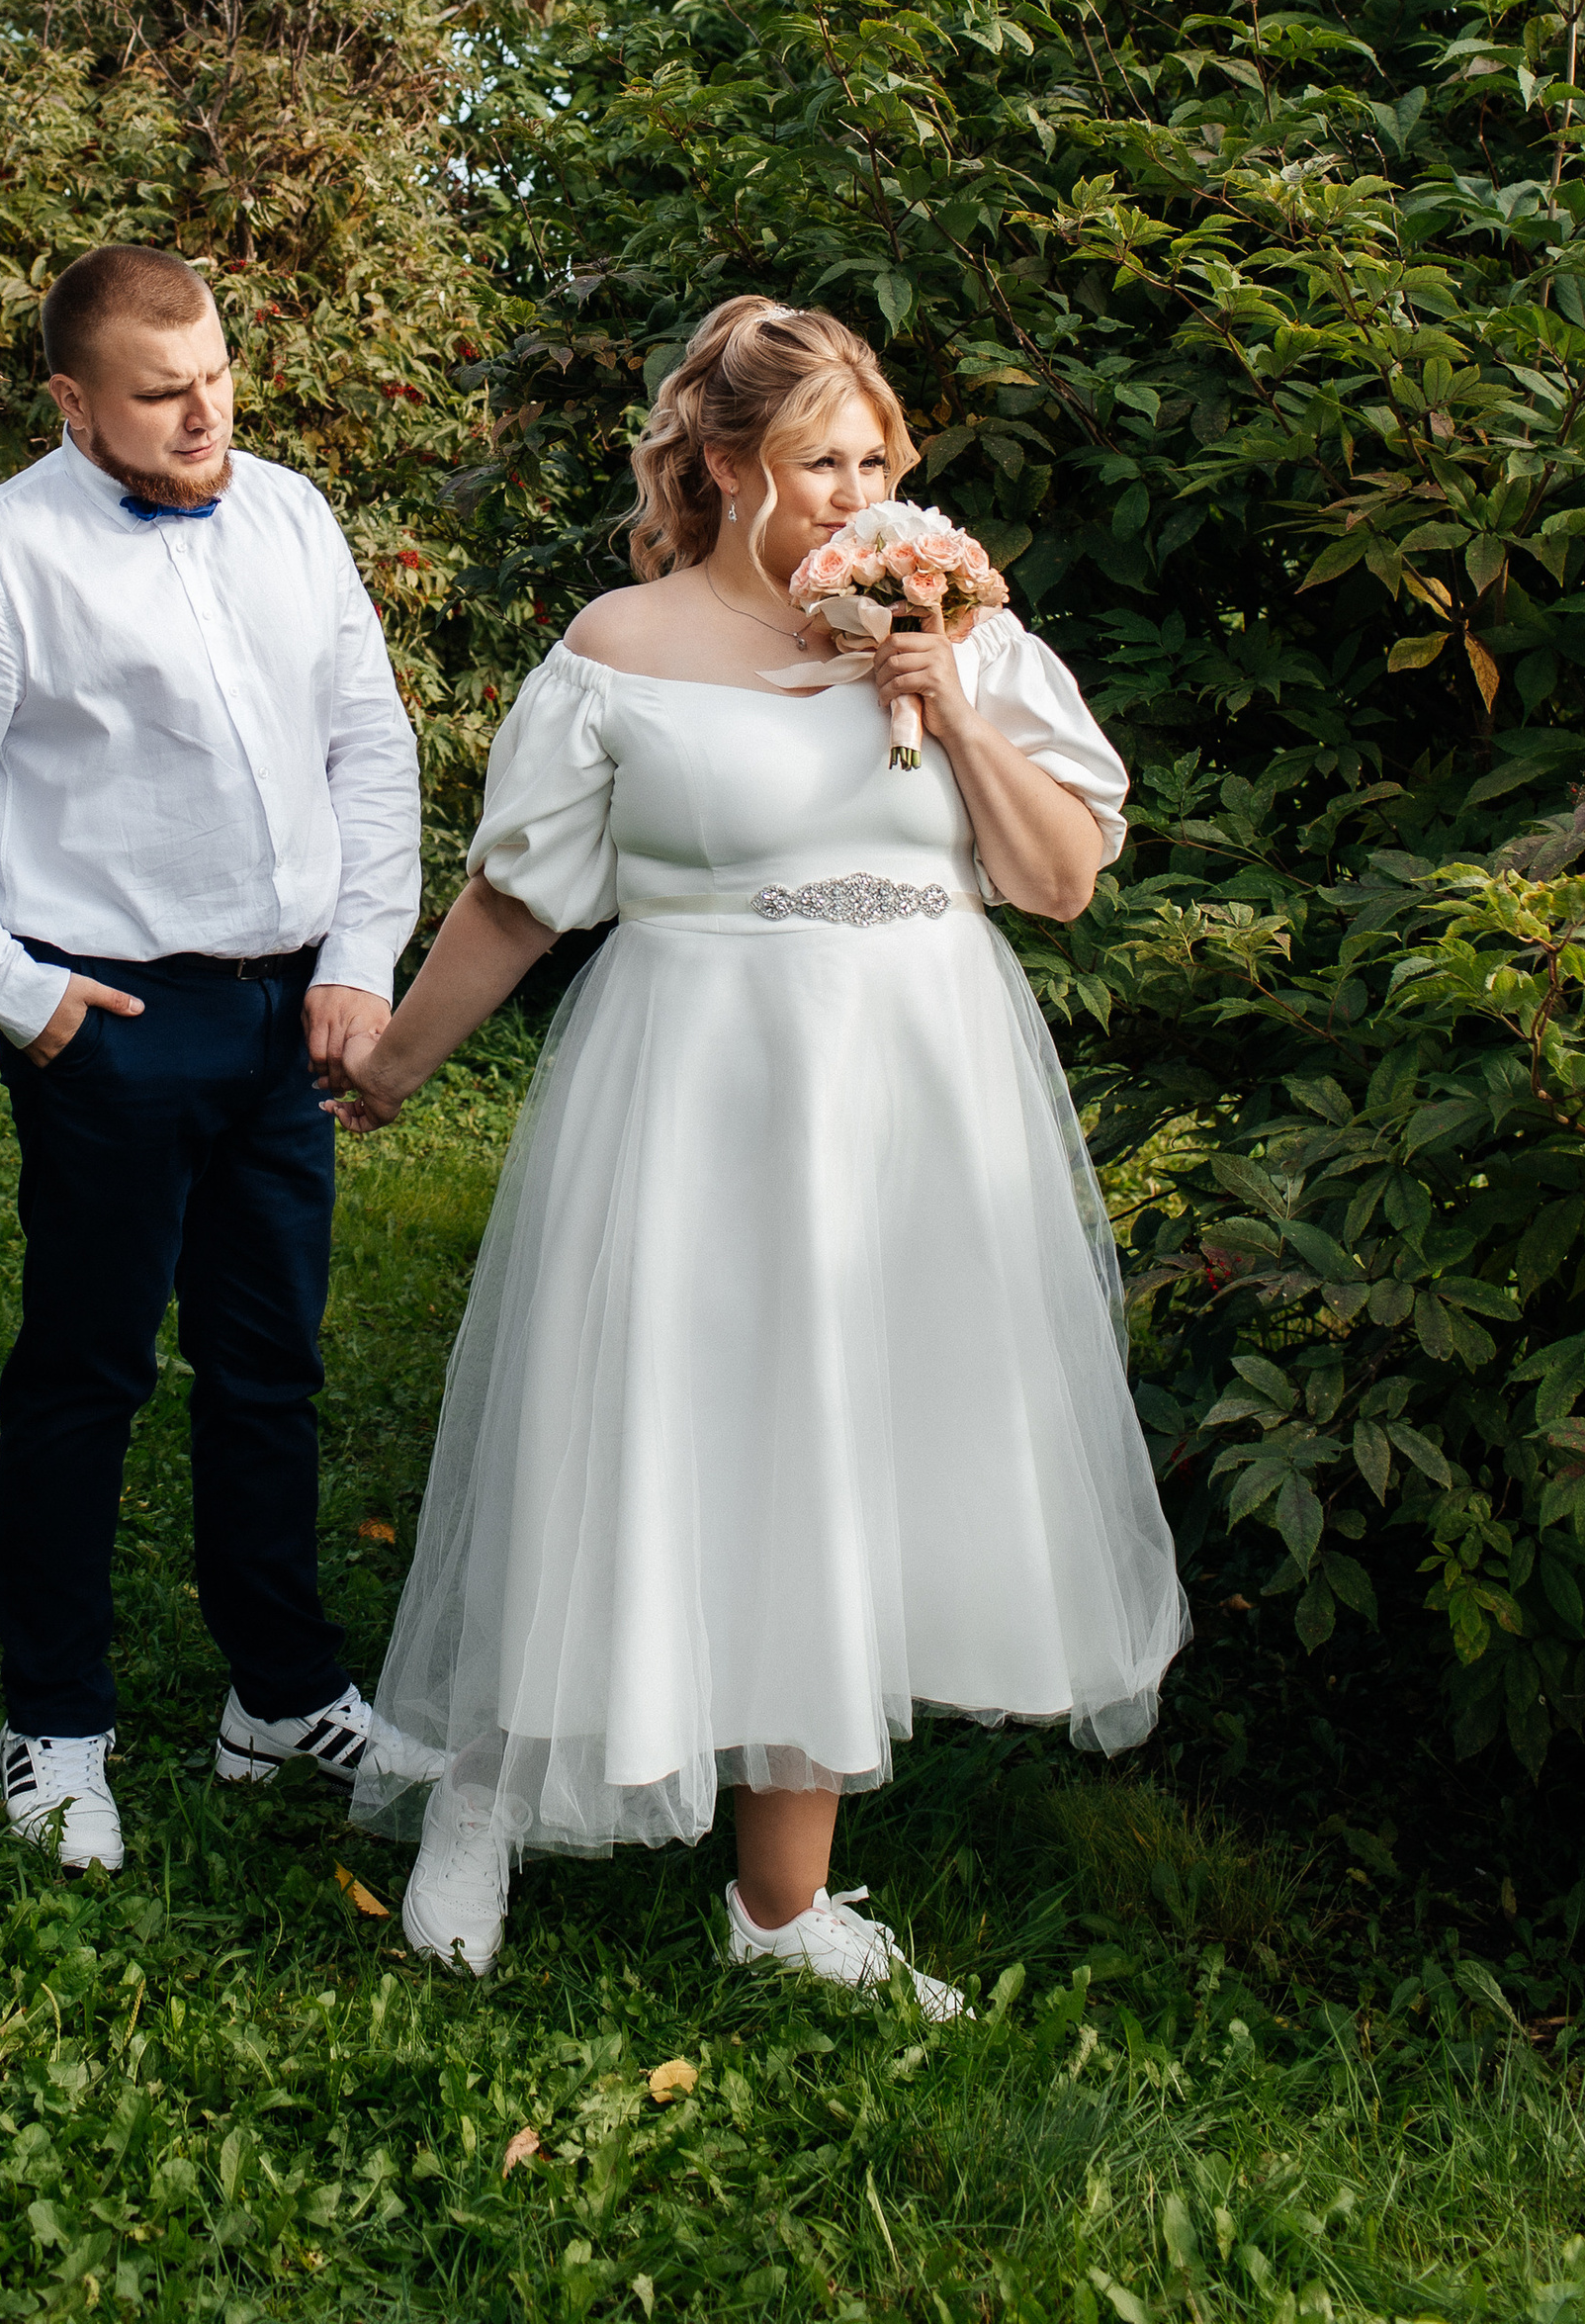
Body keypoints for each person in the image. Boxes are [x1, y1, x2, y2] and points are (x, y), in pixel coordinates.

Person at [320, 295, 1187, 1996]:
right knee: (627, 1418)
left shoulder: (961, 631)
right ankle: (488, 1792)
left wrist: (948, 695)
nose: (858, 492)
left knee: (844, 1451)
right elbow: (519, 893)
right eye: (818, 461)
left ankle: (781, 1908)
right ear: (725, 467)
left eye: (878, 458)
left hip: (920, 1083)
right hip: (697, 1072)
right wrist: (402, 1064)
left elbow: (1063, 877)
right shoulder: (619, 647)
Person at [0, 243, 425, 1871]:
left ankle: (280, 1692)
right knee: (86, 1374)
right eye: (160, 394)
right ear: (71, 401)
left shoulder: (293, 513)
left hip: (289, 1011)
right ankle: (57, 1727)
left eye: (217, 375)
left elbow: (368, 742)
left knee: (270, 1368)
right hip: (113, 1023)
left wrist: (362, 961)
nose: (201, 414)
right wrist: (15, 992)